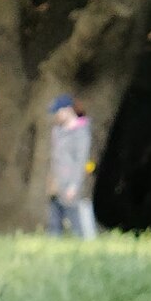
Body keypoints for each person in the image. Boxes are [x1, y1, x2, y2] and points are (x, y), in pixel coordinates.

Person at [46, 94, 98, 237]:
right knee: (54, 222)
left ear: (68, 110)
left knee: (76, 222)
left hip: (71, 185)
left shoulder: (81, 133)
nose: (56, 115)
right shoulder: (58, 131)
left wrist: (74, 186)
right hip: (56, 184)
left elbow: (80, 161)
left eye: (58, 111)